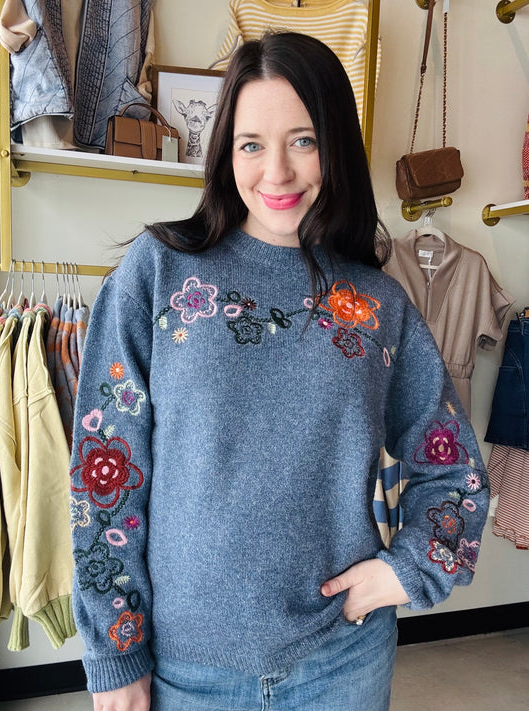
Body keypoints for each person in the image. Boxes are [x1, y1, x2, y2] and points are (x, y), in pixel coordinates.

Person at [69, 31, 489, 711]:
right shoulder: (158, 275)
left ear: (336, 145)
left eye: (303, 140)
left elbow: (453, 467)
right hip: (187, 670)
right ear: (225, 153)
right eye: (251, 145)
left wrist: (408, 569)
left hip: (341, 664)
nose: (277, 172)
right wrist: (116, 651)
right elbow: (103, 476)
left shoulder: (376, 305)